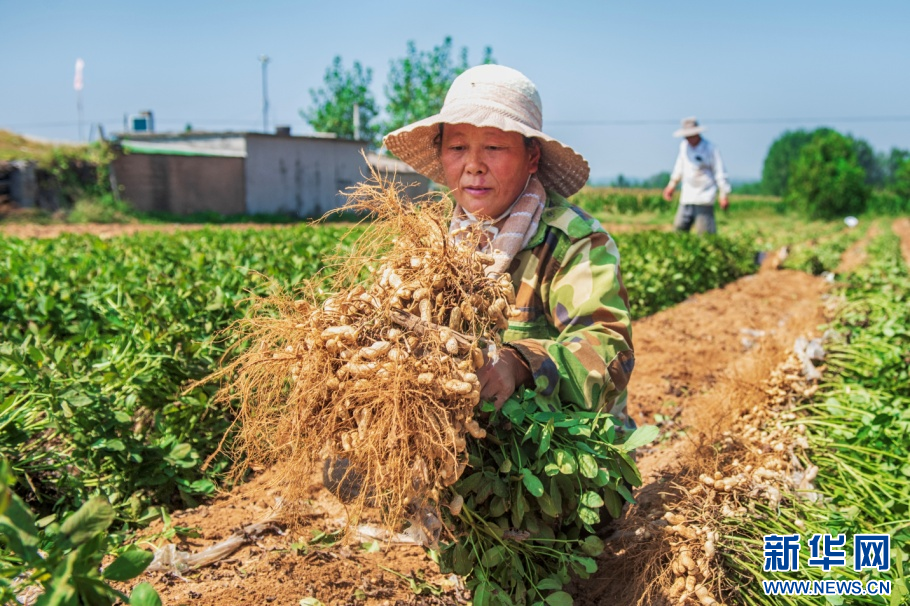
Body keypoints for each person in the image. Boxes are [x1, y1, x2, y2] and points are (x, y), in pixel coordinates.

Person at [384, 64, 634, 427]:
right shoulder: (432, 241)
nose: (473, 166)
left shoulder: (573, 242)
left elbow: (609, 352)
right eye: (457, 147)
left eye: (494, 147)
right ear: (441, 155)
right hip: (462, 438)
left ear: (532, 157)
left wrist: (519, 365)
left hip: (558, 443)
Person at [661, 116, 731, 235]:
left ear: (697, 134)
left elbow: (720, 172)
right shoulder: (684, 147)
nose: (688, 138)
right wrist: (671, 186)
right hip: (687, 195)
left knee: (705, 234)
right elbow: (679, 168)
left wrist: (723, 194)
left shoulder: (711, 149)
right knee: (679, 229)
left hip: (704, 196)